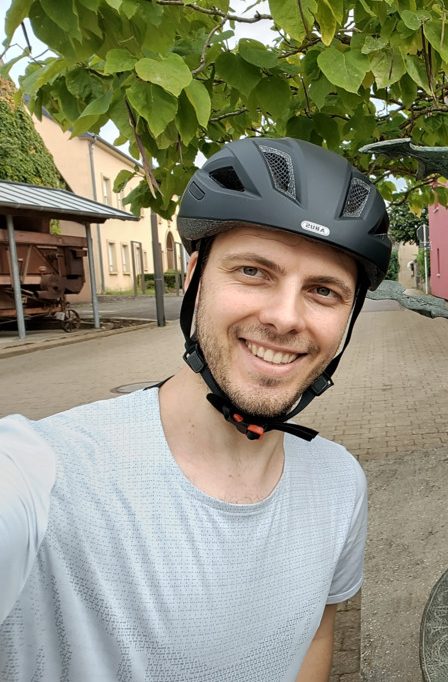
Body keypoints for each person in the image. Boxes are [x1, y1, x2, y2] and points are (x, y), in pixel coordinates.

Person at [0, 137, 391, 681]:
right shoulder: (40, 474)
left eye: (323, 291)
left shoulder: (339, 483)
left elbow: (313, 633)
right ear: (193, 279)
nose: (284, 318)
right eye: (253, 271)